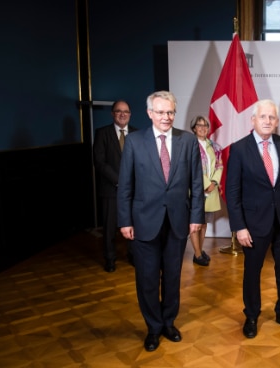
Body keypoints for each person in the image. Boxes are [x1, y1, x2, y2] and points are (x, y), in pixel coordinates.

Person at [117, 91, 204, 352]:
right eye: (161, 112)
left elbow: (197, 184)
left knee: (173, 277)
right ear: (150, 113)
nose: (166, 117)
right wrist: (124, 220)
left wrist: (196, 217)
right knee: (147, 279)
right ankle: (153, 328)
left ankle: (168, 323)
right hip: (144, 222)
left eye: (170, 112)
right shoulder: (134, 142)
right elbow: (125, 186)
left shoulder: (188, 141)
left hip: (178, 222)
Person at [225, 99, 280, 339]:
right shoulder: (239, 149)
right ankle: (251, 315)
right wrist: (239, 226)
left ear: (277, 121)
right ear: (253, 120)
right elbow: (232, 192)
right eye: (263, 117)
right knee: (252, 271)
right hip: (253, 224)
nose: (268, 121)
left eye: (272, 117)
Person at [93, 100, 137, 272]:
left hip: (134, 190)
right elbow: (100, 162)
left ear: (130, 114)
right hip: (111, 189)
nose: (122, 114)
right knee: (110, 227)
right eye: (118, 111)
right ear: (112, 114)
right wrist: (119, 181)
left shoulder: (136, 133)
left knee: (133, 225)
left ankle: (132, 255)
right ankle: (110, 259)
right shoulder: (102, 133)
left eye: (126, 111)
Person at [189, 115, 223, 266]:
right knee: (195, 223)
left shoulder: (215, 146)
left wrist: (214, 182)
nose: (203, 128)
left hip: (212, 190)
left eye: (205, 125)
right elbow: (191, 168)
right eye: (199, 125)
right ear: (194, 128)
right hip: (195, 189)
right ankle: (197, 255)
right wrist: (205, 183)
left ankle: (200, 250)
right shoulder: (189, 145)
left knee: (203, 223)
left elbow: (219, 166)